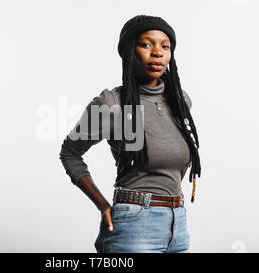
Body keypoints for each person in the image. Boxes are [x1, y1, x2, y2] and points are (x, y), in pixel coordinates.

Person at [59, 15, 201, 253]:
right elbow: (70, 153)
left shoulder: (180, 102)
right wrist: (103, 205)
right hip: (135, 224)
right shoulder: (112, 103)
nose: (157, 52)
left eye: (164, 46)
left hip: (179, 225)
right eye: (146, 44)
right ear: (129, 51)